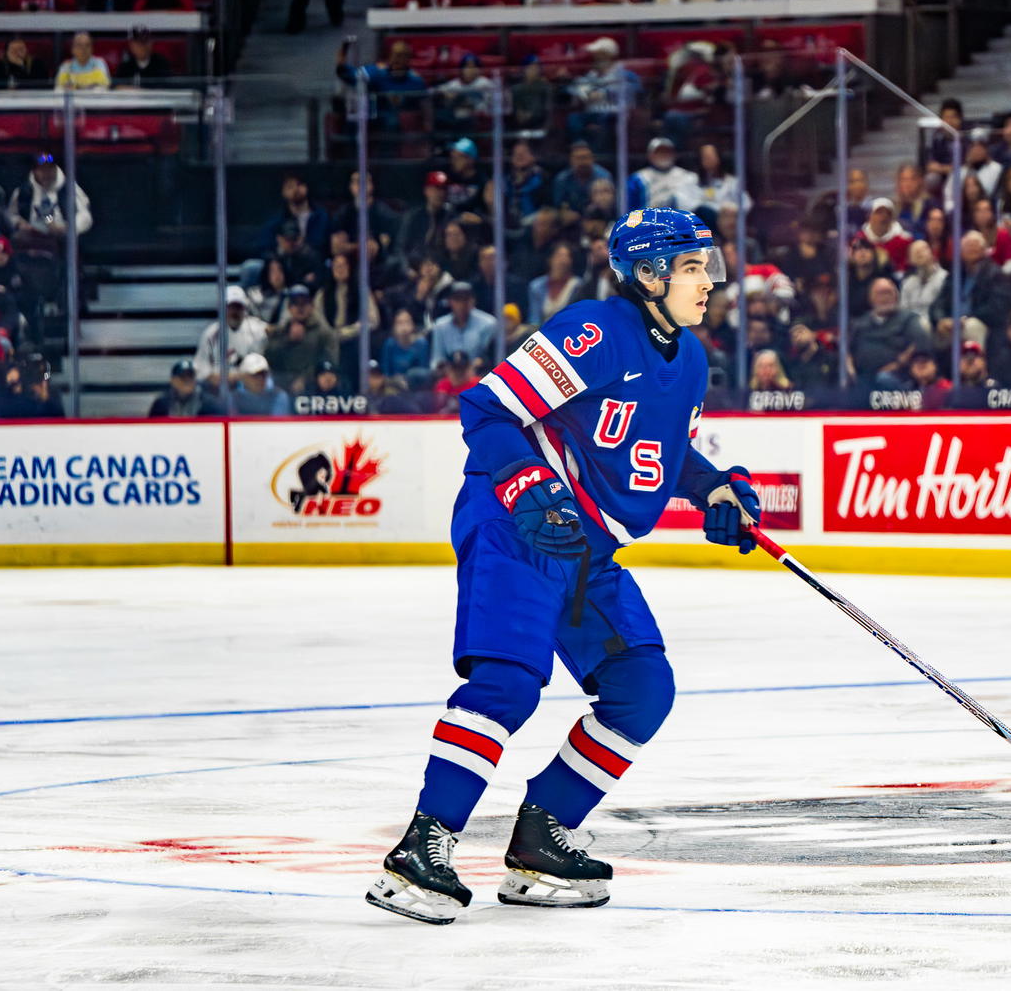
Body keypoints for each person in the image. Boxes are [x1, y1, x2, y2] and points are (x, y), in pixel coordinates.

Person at [365, 208, 761, 924]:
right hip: (516, 522)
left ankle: (541, 838)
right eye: (694, 268)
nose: (709, 282)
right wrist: (524, 484)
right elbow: (486, 410)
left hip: (587, 549)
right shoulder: (595, 331)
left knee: (643, 687)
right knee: (509, 684)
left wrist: (715, 489)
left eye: (709, 266)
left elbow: (663, 455)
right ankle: (423, 848)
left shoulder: (692, 360)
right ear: (649, 274)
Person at [265, 286, 340, 393]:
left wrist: (305, 379)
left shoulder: (324, 332)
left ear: (312, 306)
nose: (300, 308)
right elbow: (269, 357)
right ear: (290, 308)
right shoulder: (282, 331)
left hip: (315, 387)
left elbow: (330, 361)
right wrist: (288, 340)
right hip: (283, 385)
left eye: (304, 303)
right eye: (295, 304)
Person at [193, 286, 268, 386]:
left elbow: (262, 368)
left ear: (244, 309)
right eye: (231, 307)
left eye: (238, 307)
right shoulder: (211, 334)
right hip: (218, 387)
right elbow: (201, 369)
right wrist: (224, 379)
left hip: (249, 387)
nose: (234, 312)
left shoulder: (257, 330)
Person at [430, 281, 499, 367]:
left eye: (466, 299)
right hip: (449, 372)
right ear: (450, 301)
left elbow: (489, 357)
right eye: (457, 299)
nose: (462, 304)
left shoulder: (489, 323)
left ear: (473, 301)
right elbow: (437, 359)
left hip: (478, 372)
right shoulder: (440, 325)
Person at [627, 139, 699, 213]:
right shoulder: (638, 178)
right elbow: (630, 208)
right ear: (650, 155)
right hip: (649, 220)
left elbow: (695, 205)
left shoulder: (688, 176)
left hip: (682, 220)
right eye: (659, 152)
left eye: (667, 152)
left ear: (674, 154)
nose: (663, 155)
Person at [148, 359, 223, 418]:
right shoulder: (161, 404)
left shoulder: (209, 403)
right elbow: (152, 429)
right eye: (183, 377)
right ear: (173, 380)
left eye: (191, 377)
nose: (188, 381)